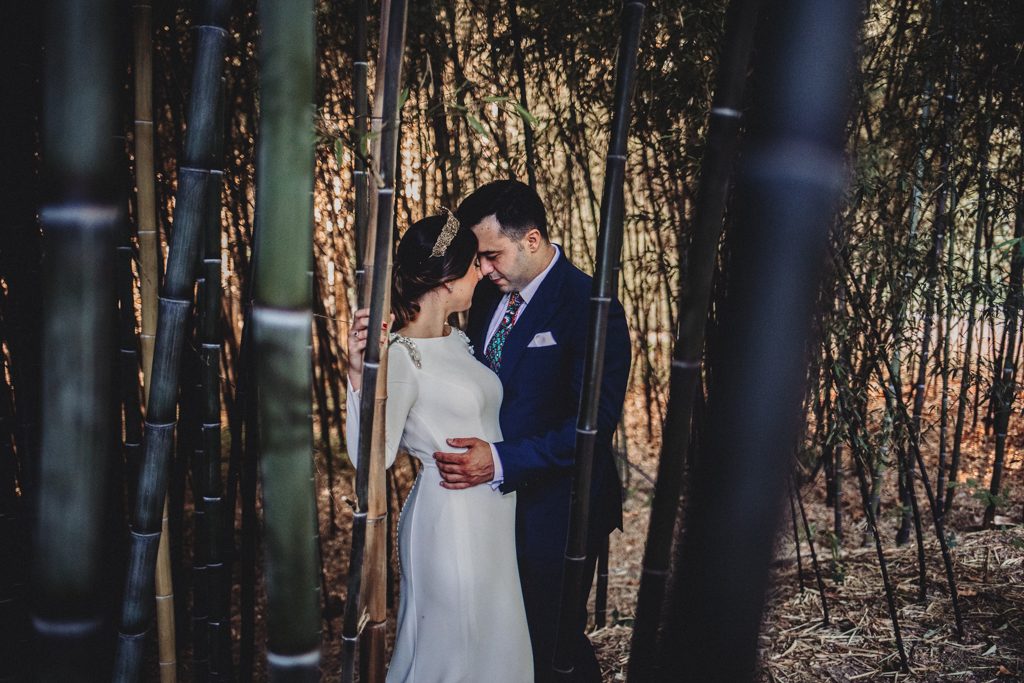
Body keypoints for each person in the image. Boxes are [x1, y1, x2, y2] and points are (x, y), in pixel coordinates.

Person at [434, 180, 631, 682]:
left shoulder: (589, 304)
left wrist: (499, 461)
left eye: (492, 255)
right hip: (489, 504)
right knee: (502, 640)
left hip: (560, 507)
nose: (484, 269)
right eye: (478, 259)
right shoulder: (486, 296)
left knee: (552, 642)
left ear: (533, 239)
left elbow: (591, 427)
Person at [345, 212, 533, 683]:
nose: (483, 272)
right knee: (457, 649)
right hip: (450, 521)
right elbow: (374, 458)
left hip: (489, 515)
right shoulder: (400, 356)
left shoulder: (457, 338)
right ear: (447, 279)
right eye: (473, 265)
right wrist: (357, 375)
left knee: (492, 641)